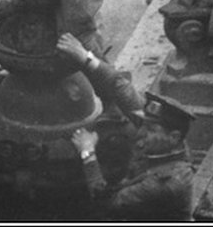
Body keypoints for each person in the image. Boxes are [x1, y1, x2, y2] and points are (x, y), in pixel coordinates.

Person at [57, 34, 196, 221]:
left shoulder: (166, 183)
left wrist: (87, 152)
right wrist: (85, 57)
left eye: (150, 130)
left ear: (173, 137)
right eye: (145, 125)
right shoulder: (169, 140)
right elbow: (120, 87)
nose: (142, 132)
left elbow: (105, 201)